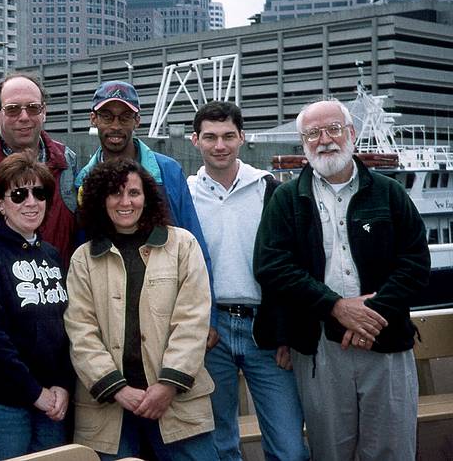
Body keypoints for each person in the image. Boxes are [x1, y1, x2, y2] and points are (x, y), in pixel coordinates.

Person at [254, 99, 430, 461]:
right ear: (303, 143)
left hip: (386, 339)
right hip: (320, 346)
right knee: (330, 451)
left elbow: (415, 263)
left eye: (333, 129)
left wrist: (369, 314)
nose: (324, 140)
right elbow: (271, 265)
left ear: (351, 133)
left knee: (393, 450)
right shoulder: (287, 199)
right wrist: (334, 306)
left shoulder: (389, 193)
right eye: (312, 133)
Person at [65, 158, 217, 461]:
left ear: (147, 197)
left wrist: (167, 386)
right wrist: (117, 389)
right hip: (108, 408)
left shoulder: (182, 245)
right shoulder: (83, 259)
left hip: (177, 403)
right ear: (100, 199)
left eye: (133, 193)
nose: (125, 202)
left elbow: (193, 320)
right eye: (115, 193)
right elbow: (80, 331)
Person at [188, 101, 308, 461]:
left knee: (289, 448)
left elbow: (290, 264)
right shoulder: (185, 194)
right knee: (221, 444)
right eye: (210, 137)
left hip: (266, 331)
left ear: (242, 137)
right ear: (196, 140)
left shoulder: (268, 189)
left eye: (228, 136)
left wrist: (287, 334)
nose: (219, 145)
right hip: (211, 333)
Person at [75, 80, 217, 341]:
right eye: (107, 116)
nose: (116, 126)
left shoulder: (167, 171)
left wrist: (209, 317)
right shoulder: (83, 179)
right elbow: (83, 251)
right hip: (109, 315)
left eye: (125, 117)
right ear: (93, 119)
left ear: (137, 120)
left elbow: (195, 247)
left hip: (169, 312)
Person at [0, 153, 73, 461]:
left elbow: (66, 329)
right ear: (0, 203)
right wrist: (34, 393)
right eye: (19, 194)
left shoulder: (50, 255)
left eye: (40, 194)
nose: (31, 202)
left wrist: (62, 385)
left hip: (50, 402)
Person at [0, 73, 78, 265]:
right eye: (13, 109)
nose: (24, 117)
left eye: (33, 108)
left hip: (57, 284)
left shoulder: (67, 159)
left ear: (44, 112)